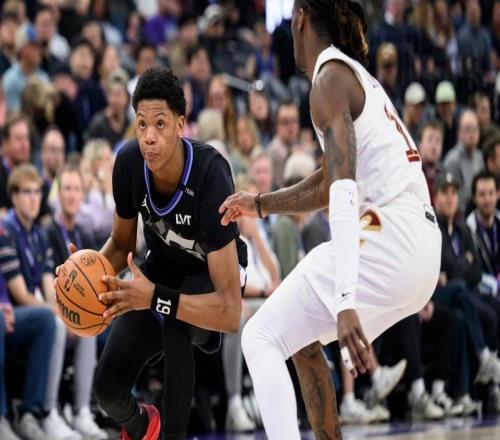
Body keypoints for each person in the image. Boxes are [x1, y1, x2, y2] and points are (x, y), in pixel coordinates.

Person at [219, 1, 441, 438]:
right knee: (297, 336)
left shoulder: (328, 80)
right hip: (421, 249)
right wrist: (260, 204)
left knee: (259, 335)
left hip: (391, 235)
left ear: (301, 18)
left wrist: (345, 300)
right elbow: (330, 180)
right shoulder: (353, 77)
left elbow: (341, 194)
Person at [66, 67, 248, 440]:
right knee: (108, 390)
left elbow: (231, 312)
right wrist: (85, 274)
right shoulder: (129, 164)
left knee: (176, 323)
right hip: (160, 272)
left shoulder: (211, 175)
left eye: (160, 124)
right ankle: (145, 429)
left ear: (180, 125)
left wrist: (154, 297)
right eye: (142, 124)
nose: (149, 136)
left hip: (211, 283)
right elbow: (120, 245)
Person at [45, 164, 106, 439]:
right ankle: (53, 411)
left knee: (101, 326)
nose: (71, 195)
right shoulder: (48, 231)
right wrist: (66, 314)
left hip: (78, 313)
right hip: (54, 311)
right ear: (59, 194)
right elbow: (47, 286)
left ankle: (84, 411)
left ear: (83, 194)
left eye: (77, 189)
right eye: (67, 188)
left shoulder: (85, 234)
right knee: (78, 327)